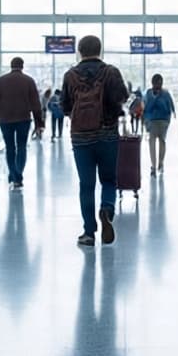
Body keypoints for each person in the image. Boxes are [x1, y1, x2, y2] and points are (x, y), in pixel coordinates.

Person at [60, 36, 130, 247]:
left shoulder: (70, 75)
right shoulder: (111, 72)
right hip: (107, 134)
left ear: (79, 51)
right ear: (100, 50)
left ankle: (89, 233)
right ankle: (106, 209)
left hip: (81, 137)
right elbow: (123, 97)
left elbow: (64, 106)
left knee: (86, 185)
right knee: (108, 180)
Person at [0, 57, 45, 192]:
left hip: (5, 120)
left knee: (10, 148)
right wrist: (39, 123)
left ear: (11, 65)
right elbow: (36, 104)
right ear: (22, 66)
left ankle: (14, 175)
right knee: (21, 147)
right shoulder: (28, 81)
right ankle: (17, 175)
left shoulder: (1, 81)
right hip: (23, 119)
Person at [142, 74, 176, 176]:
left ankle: (154, 166)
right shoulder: (165, 93)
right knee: (162, 142)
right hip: (162, 121)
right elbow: (170, 106)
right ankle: (160, 164)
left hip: (154, 121)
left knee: (153, 144)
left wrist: (145, 120)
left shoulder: (148, 93)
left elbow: (145, 107)